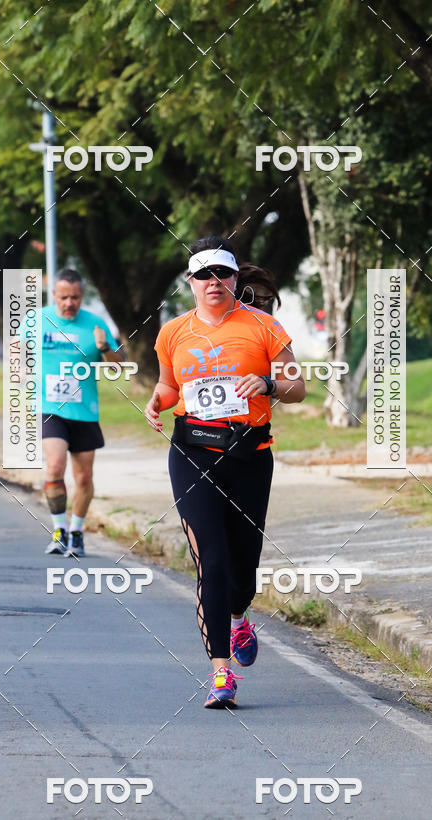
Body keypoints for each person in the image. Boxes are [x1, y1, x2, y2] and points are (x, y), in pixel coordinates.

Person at [145, 236, 305, 708]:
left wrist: (270, 382)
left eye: (222, 273)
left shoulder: (263, 326)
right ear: (190, 282)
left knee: (243, 567)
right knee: (210, 560)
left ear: (235, 279)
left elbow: (297, 388)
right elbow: (170, 385)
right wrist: (158, 400)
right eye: (203, 275)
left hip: (250, 455)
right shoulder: (172, 332)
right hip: (192, 451)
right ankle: (221, 674)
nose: (213, 282)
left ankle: (239, 617)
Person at [41, 268, 120, 558]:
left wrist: (104, 348)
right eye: (63, 297)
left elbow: (118, 365)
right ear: (54, 296)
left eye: (74, 297)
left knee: (84, 477)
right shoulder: (37, 320)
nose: (69, 303)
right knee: (54, 466)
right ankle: (59, 530)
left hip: (84, 410)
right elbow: (17, 350)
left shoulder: (95, 324)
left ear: (82, 296)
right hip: (50, 408)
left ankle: (76, 531)